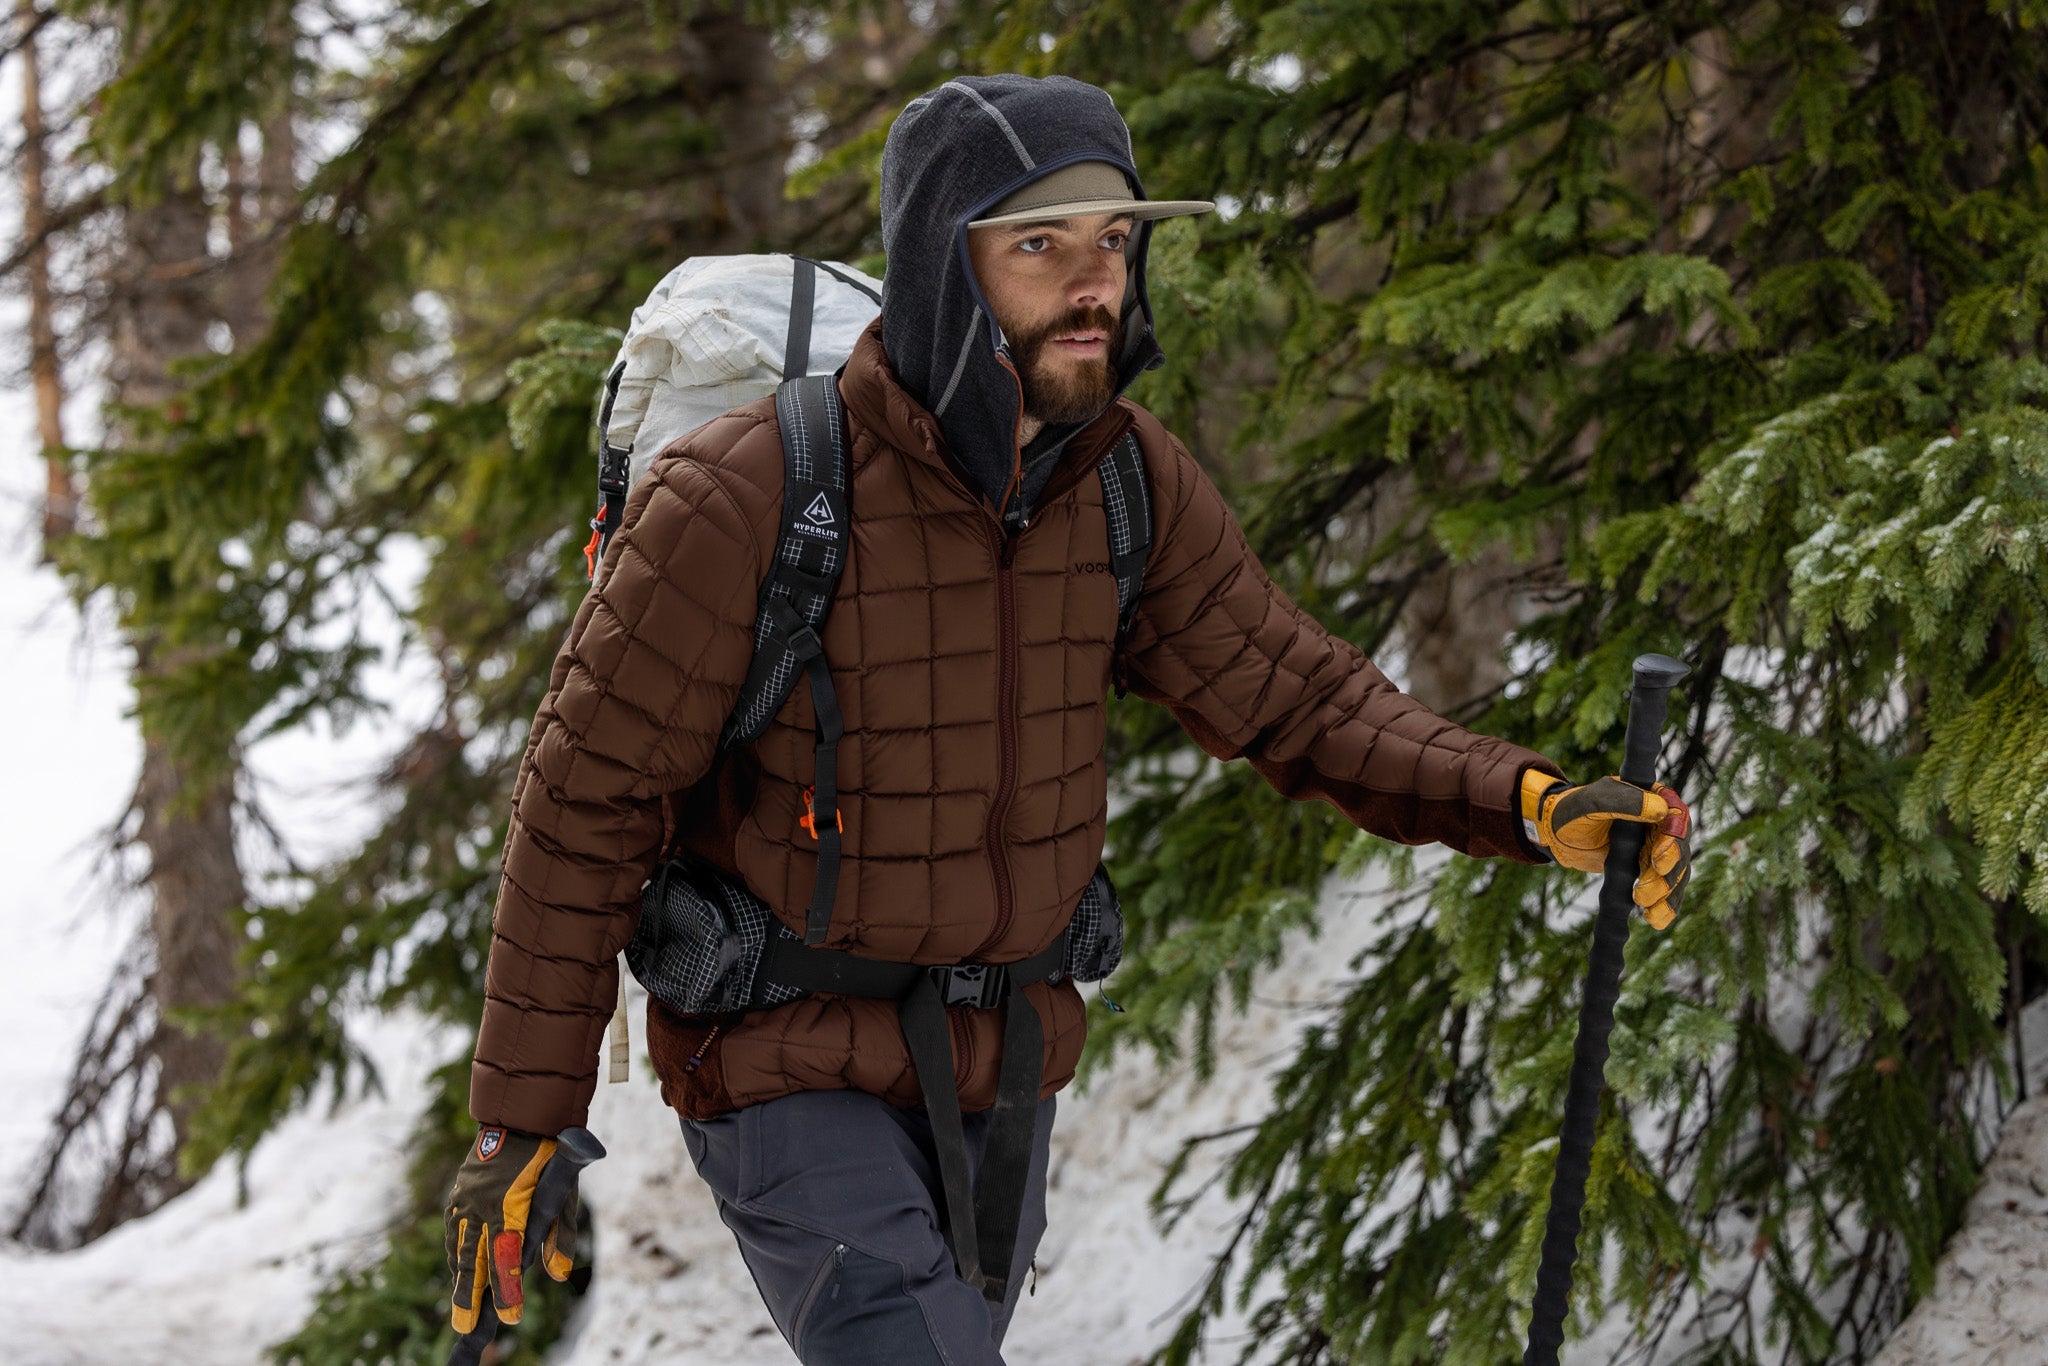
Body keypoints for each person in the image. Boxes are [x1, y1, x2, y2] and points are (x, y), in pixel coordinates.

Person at [442, 72, 1692, 1363]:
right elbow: (585, 796)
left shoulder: (1125, 485)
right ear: (942, 263)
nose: (1094, 281)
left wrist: (1526, 798)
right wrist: (519, 1120)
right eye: (1039, 245)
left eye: (1113, 241)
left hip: (1003, 1075)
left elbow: (1299, 695)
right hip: (785, 1063)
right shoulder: (749, 492)